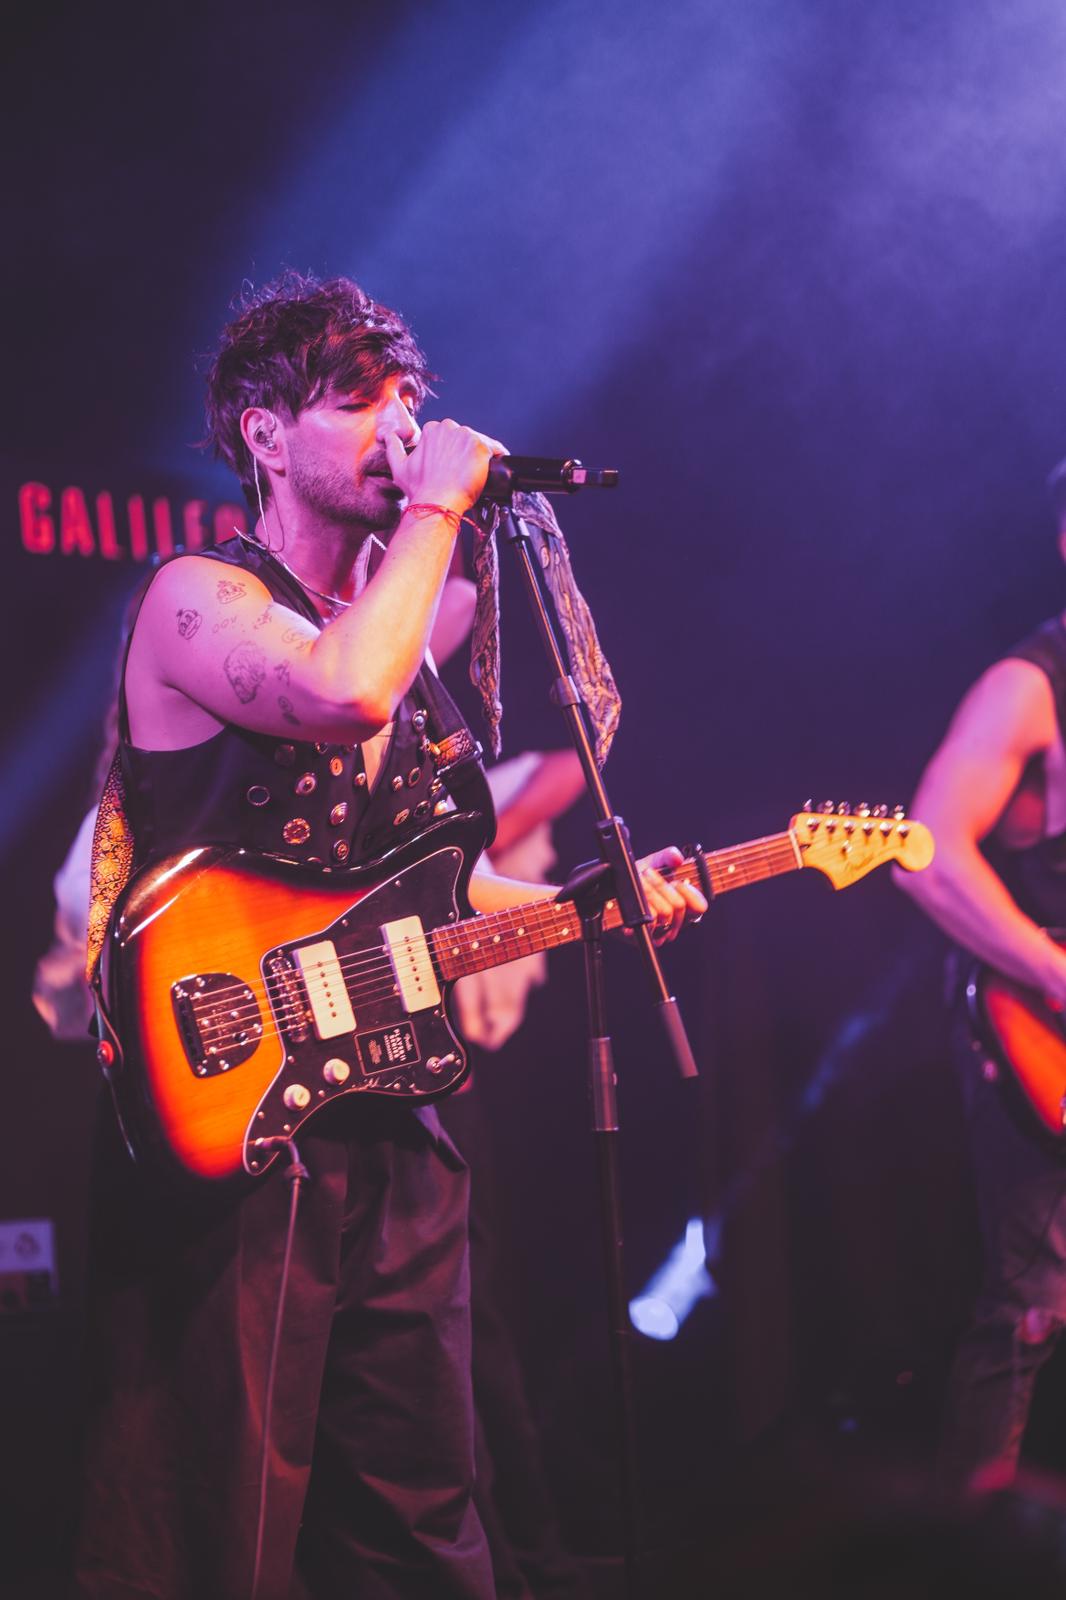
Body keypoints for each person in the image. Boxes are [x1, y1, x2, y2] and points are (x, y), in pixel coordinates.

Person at [72, 271, 704, 1599]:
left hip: (389, 1118)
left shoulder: (400, 654)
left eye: (409, 400)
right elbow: (339, 692)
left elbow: (436, 902)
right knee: (223, 1529)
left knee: (421, 1518)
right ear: (263, 433)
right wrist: (434, 510)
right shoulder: (198, 600)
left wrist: (591, 906)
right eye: (359, 401)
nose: (403, 427)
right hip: (236, 1120)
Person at [895, 459, 1066, 1492]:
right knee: (1031, 1304)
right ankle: (971, 1552)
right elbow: (926, 851)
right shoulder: (1030, 685)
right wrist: (1052, 967)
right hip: (1038, 1026)